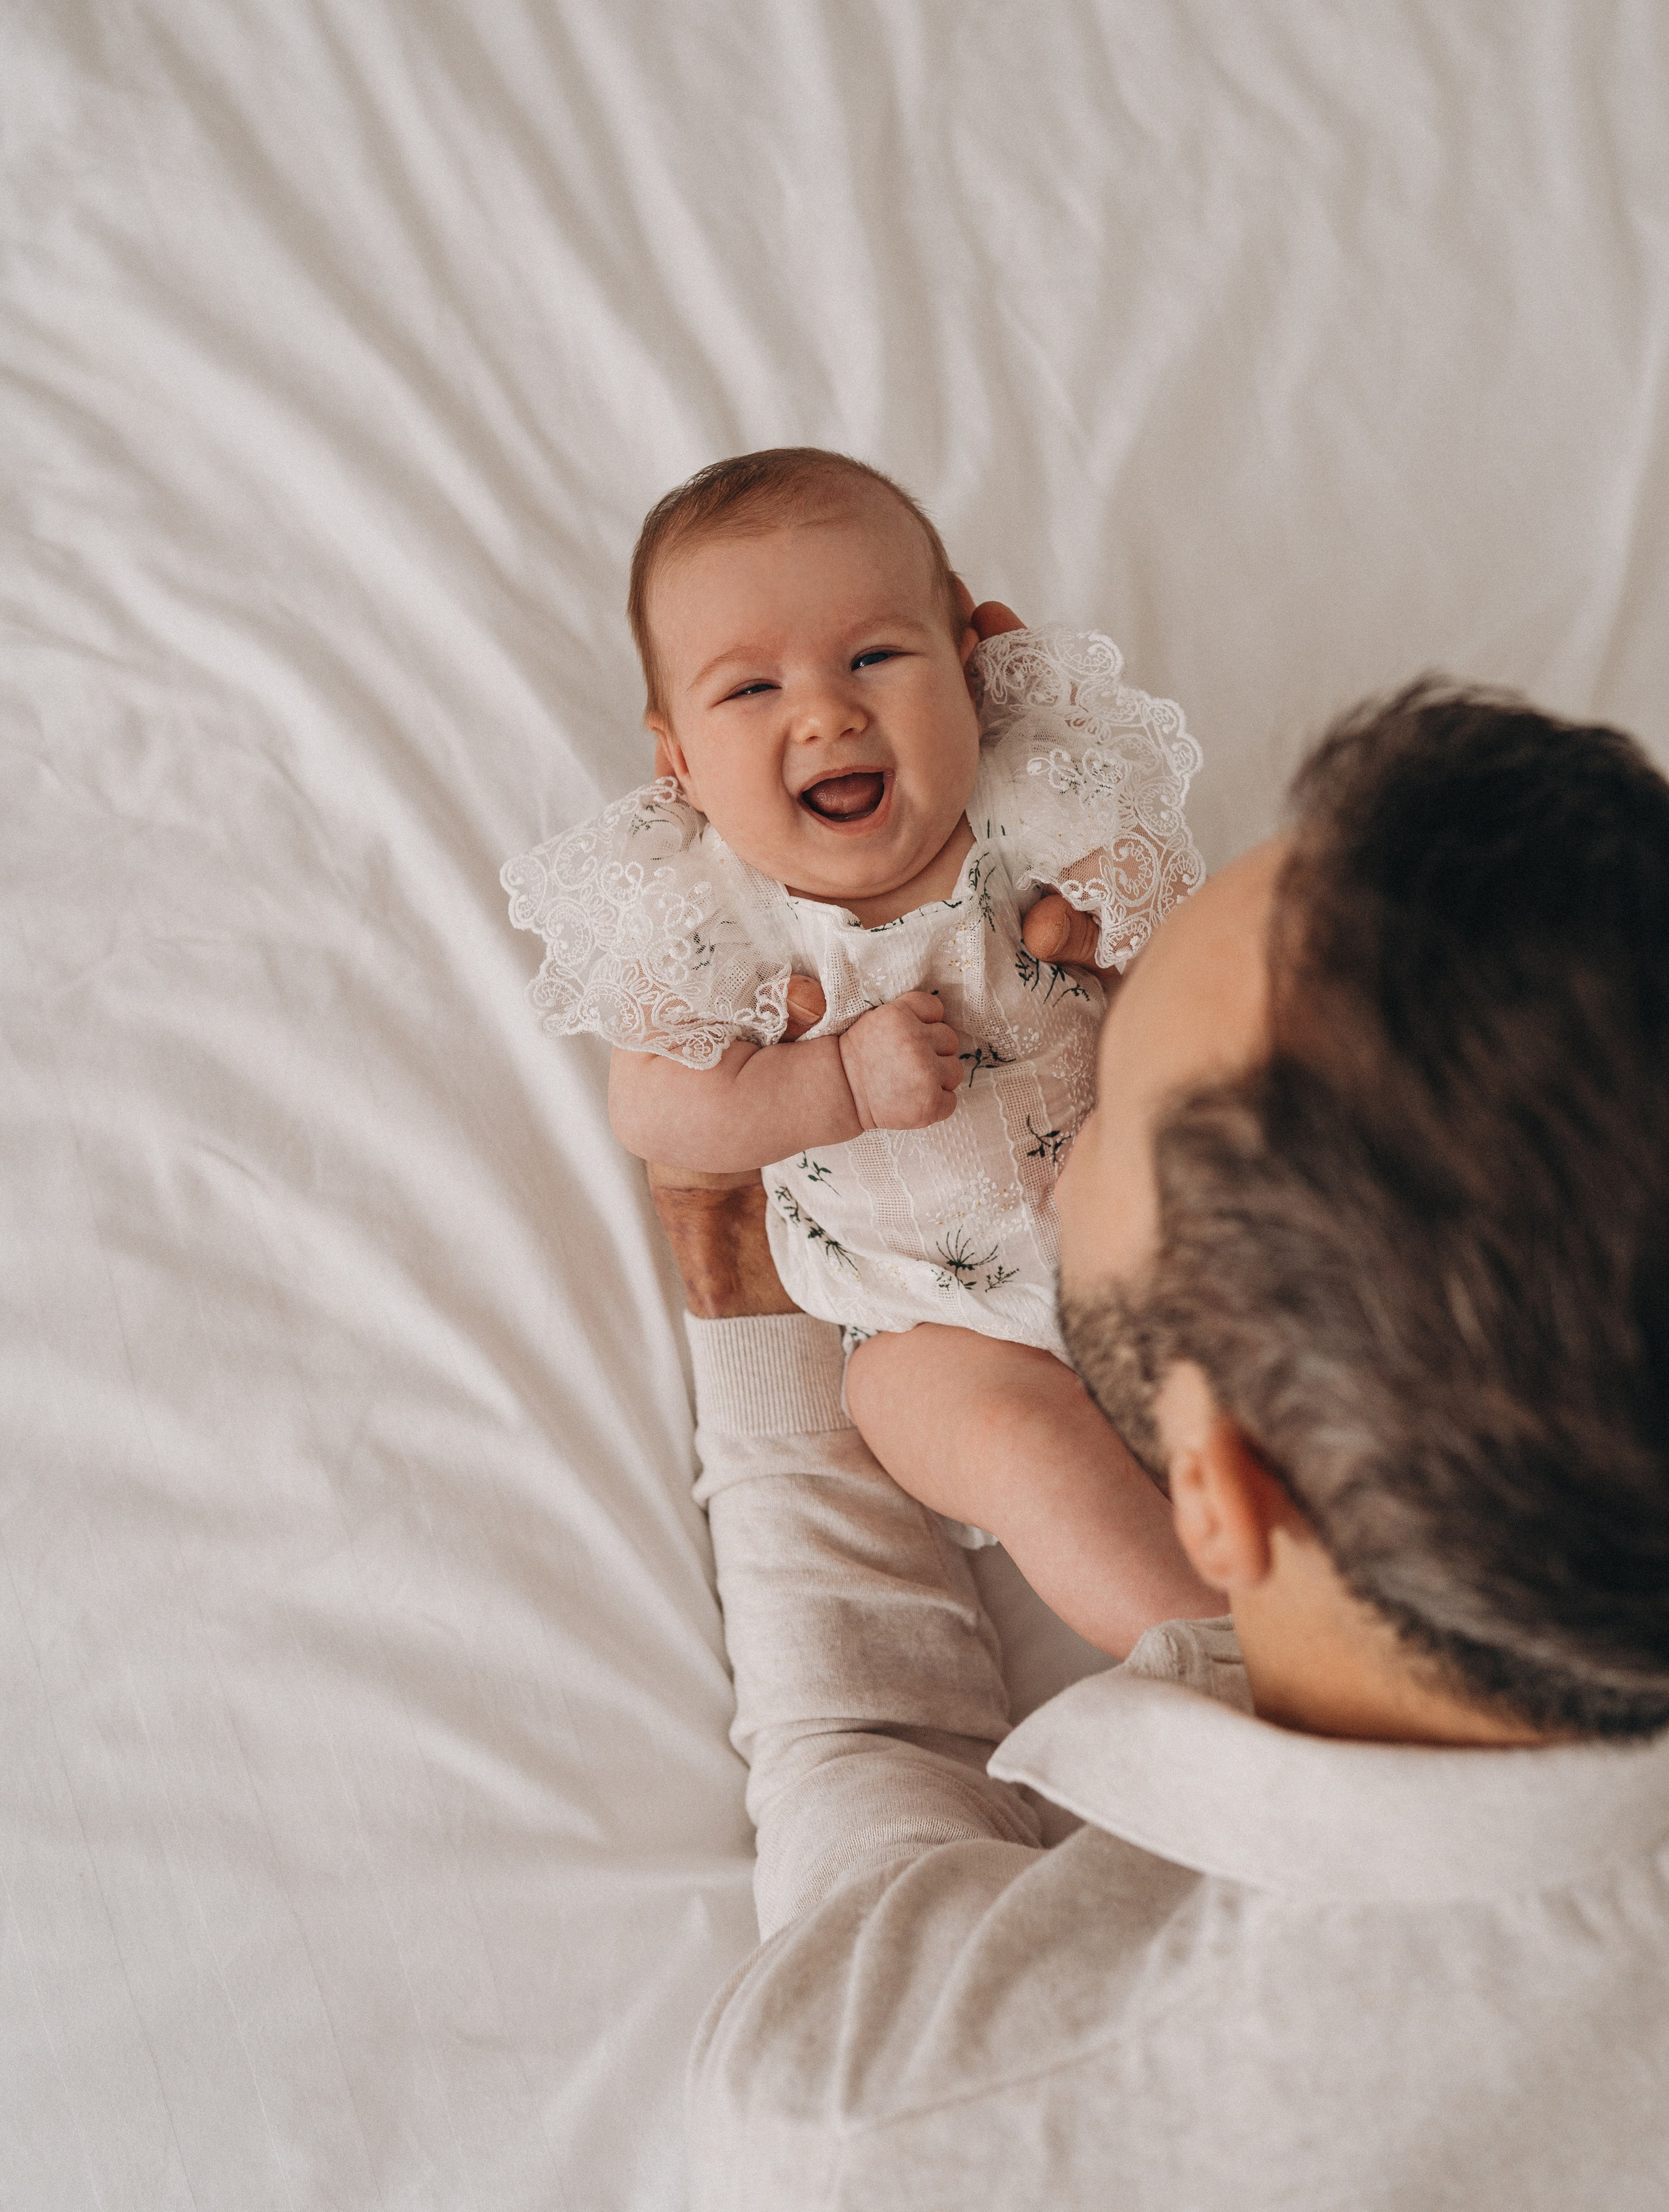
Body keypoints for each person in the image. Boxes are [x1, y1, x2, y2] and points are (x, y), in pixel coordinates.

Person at [658, 676, 1669, 2209]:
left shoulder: (896, 2120)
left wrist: (753, 1329)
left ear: (1219, 1491)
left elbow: (869, 1779)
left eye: (1105, 1098)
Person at [503, 447, 1219, 1650]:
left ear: (969, 663)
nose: (827, 712)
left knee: (1297, 1307)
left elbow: (1191, 932)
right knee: (1007, 1446)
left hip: (1155, 1230)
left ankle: (1367, 1577)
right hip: (936, 1325)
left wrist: (1121, 921)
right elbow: (657, 1113)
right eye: (750, 692)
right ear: (677, 758)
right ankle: (1213, 1652)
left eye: (875, 657)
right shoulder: (714, 914)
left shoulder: (1022, 798)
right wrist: (827, 1083)